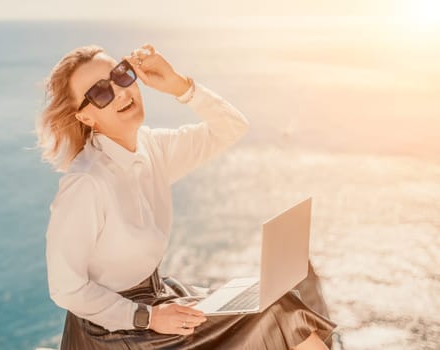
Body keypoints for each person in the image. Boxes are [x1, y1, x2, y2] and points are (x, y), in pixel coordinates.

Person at [36, 43, 337, 349]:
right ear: (86, 118)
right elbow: (66, 289)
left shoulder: (151, 148)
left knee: (277, 300)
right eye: (101, 93)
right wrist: (147, 317)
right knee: (282, 313)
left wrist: (179, 85)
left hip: (159, 299)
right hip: (114, 330)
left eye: (121, 75)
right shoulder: (86, 184)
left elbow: (230, 128)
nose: (121, 92)